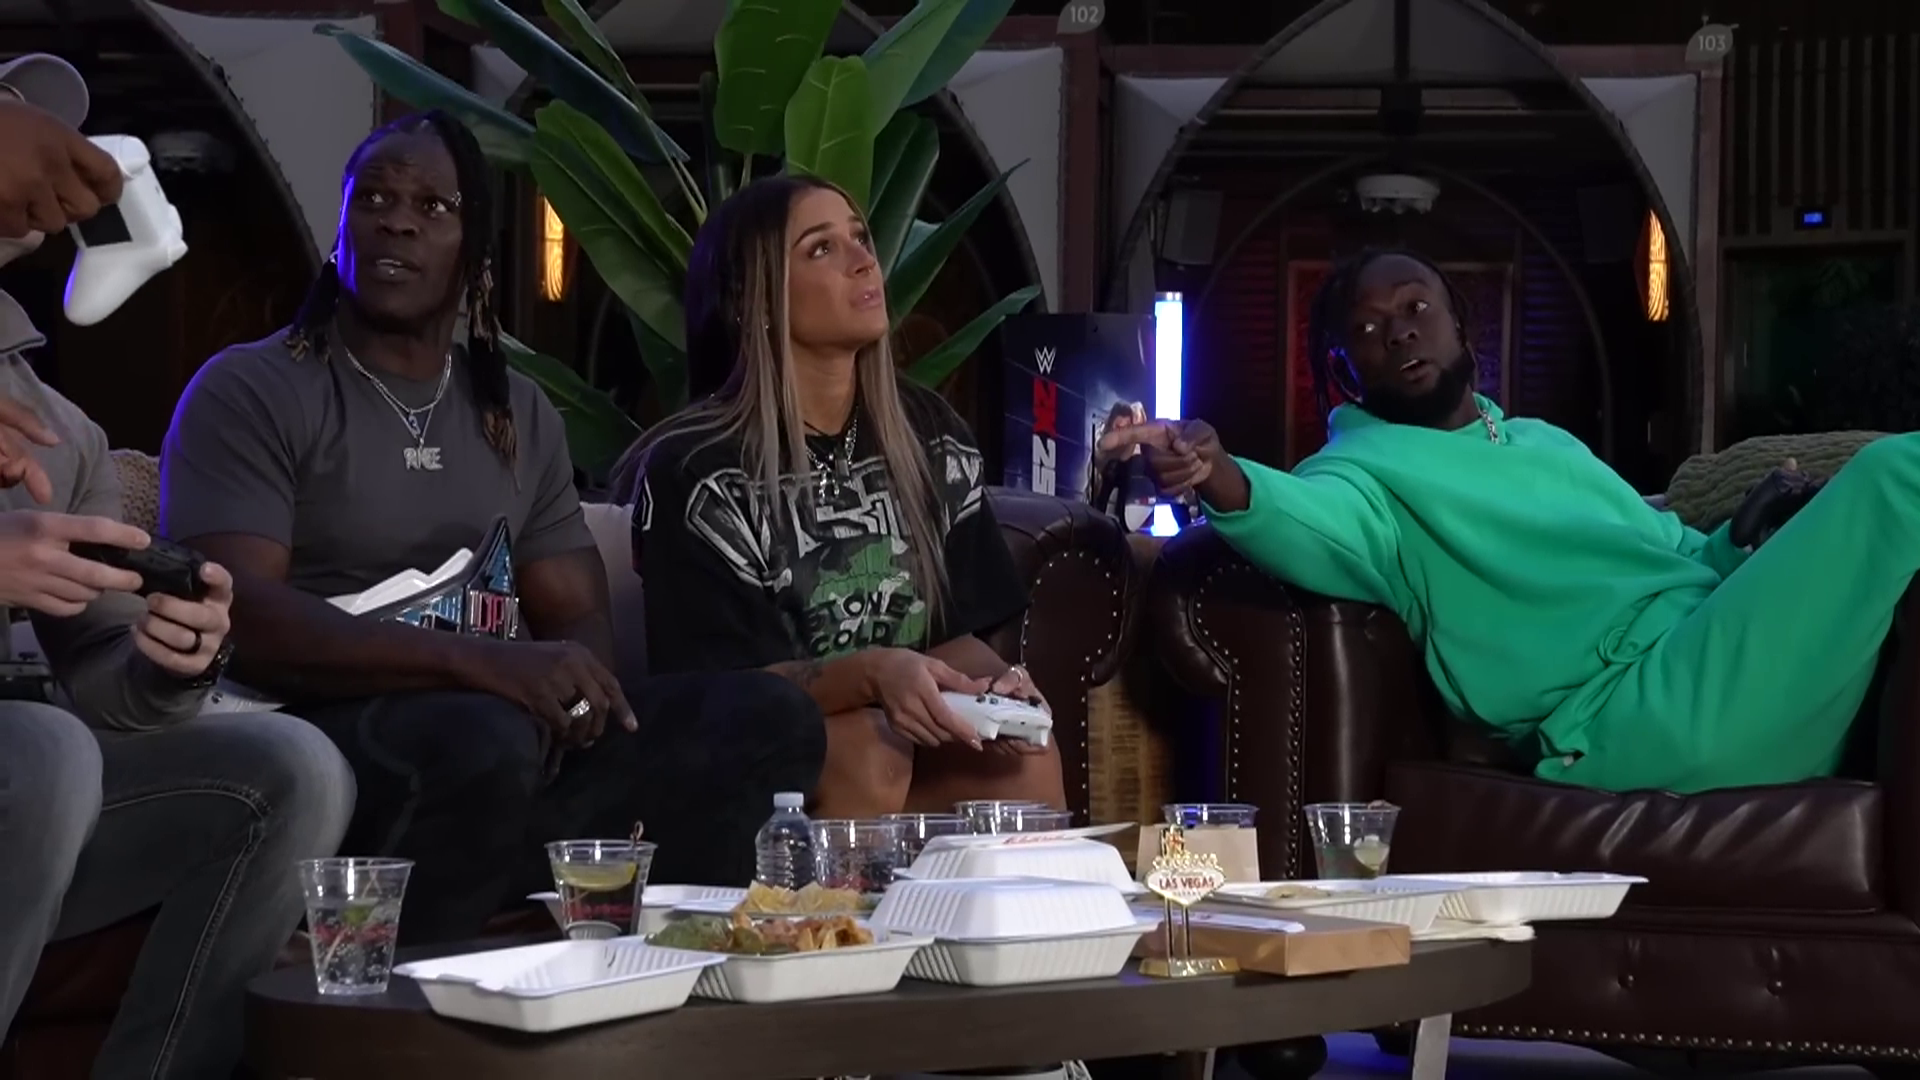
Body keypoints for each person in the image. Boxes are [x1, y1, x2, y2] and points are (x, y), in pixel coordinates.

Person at [159, 110, 826, 944]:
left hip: (495, 744)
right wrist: (482, 667)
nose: (397, 221)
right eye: (374, 199)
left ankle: (656, 971)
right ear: (342, 229)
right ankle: (408, 990)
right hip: (323, 727)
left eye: (433, 206)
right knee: (485, 738)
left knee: (768, 718)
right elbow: (240, 617)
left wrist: (574, 700)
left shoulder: (517, 412)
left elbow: (576, 612)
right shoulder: (252, 389)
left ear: (476, 254)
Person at [1101, 246, 1876, 796]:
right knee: (1892, 476)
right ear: (1344, 370)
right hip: (1625, 714)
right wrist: (1216, 471)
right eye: (1367, 329)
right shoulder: (1361, 474)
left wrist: (1739, 539)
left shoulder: (1544, 442)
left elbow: (1676, 554)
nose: (1399, 331)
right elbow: (1305, 522)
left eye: (1416, 307)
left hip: (1706, 657)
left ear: (1459, 324)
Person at [0, 54, 355, 1079]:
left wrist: (171, 662)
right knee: (44, 752)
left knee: (294, 767)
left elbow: (103, 681)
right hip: (29, 767)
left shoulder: (59, 428)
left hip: (27, 791)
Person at [626, 175, 1065, 819]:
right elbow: (722, 692)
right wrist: (872, 675)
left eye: (860, 237)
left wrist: (996, 690)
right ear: (756, 298)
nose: (864, 259)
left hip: (898, 741)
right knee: (867, 747)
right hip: (748, 745)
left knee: (1026, 760)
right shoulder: (697, 471)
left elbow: (956, 635)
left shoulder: (930, 437)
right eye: (821, 248)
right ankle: (831, 894)